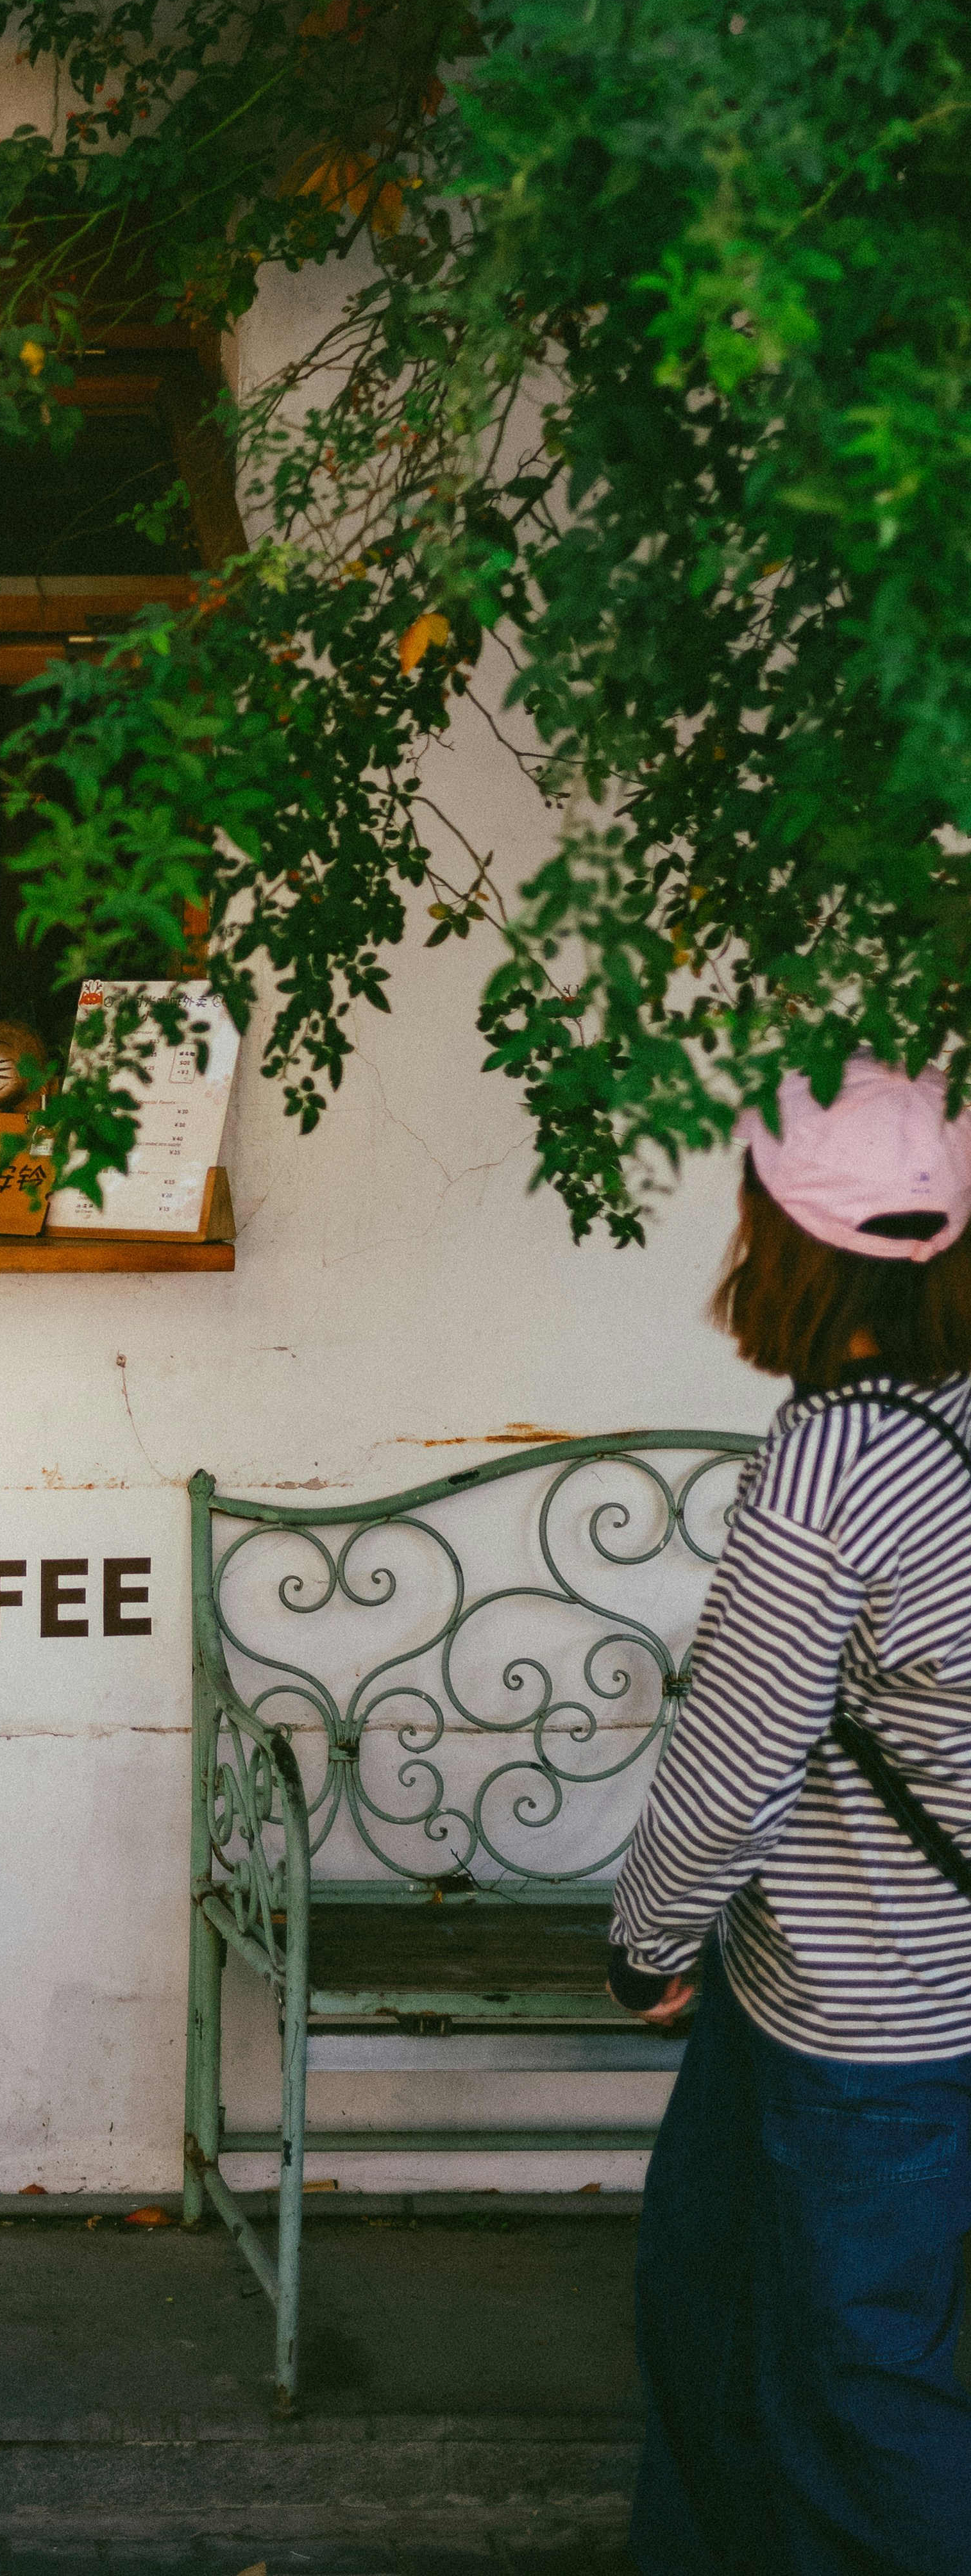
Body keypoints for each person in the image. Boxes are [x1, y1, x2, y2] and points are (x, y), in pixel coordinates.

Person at [609, 1057, 971, 2575]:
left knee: (849, 2387)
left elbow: (734, 1758)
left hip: (864, 2017)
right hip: (865, 1989)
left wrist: (642, 1941)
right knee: (720, 2313)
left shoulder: (839, 1461)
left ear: (783, 1236)